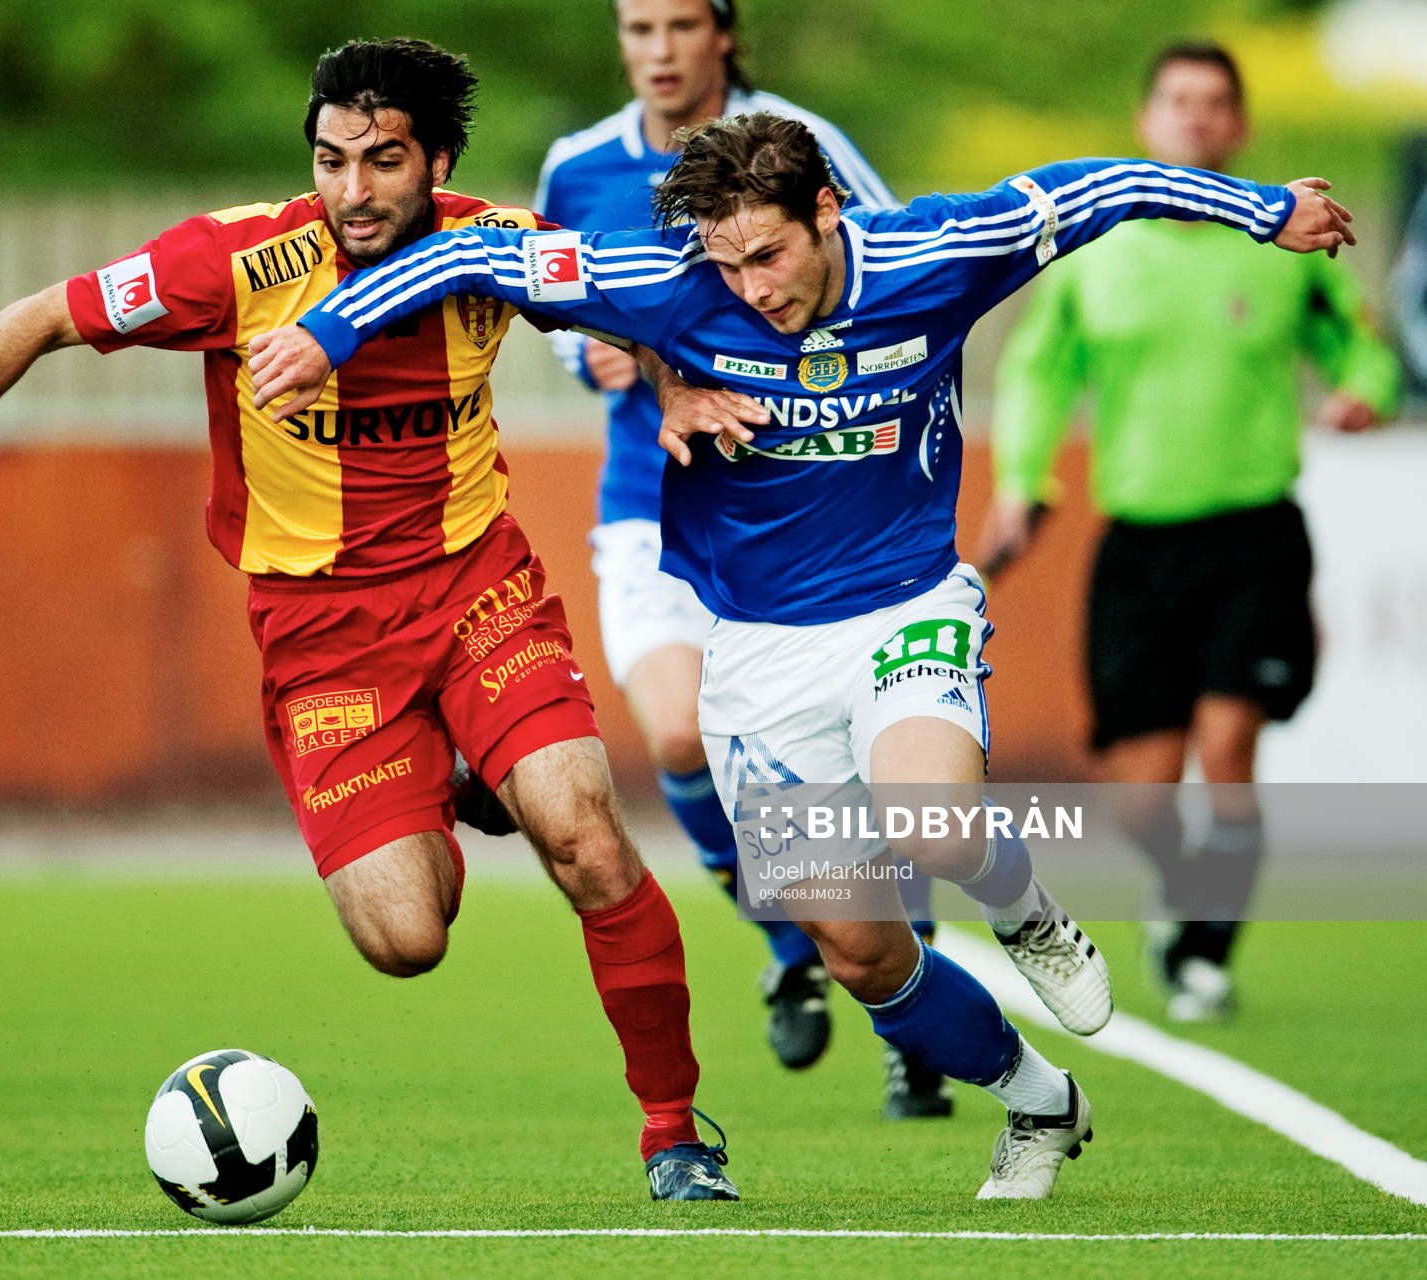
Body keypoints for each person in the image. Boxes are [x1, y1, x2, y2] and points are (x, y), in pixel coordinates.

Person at [247, 112, 1353, 1197]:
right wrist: (328, 334)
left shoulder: (934, 251)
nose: (753, 288)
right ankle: (1037, 1099)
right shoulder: (674, 279)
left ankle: (1027, 913)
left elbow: (1099, 189)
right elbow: (473, 251)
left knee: (932, 817)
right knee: (861, 952)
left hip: (905, 603)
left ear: (826, 210)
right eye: (726, 266)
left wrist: (1264, 211)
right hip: (759, 657)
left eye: (769, 254)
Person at [0, 39, 738, 1203]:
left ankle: (673, 1134)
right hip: (321, 634)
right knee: (406, 937)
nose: (355, 189)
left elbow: (627, 294)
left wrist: (676, 386)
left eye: (385, 161)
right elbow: (35, 317)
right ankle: (458, 774)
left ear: (435, 161)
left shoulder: (494, 243)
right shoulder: (235, 261)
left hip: (476, 590)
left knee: (589, 838)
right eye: (333, 160)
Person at [537, 0, 946, 1107]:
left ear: (724, 33)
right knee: (678, 733)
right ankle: (786, 943)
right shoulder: (576, 168)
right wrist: (610, 359)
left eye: (678, 24)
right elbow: (557, 312)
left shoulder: (799, 140)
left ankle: (913, 999)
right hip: (653, 502)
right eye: (636, 28)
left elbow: (890, 272)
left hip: (813, 511)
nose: (658, 49)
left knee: (868, 784)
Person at [982, 43, 1402, 1021]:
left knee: (1228, 748)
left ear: (1241, 126)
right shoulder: (1101, 258)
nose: (1198, 120)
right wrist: (1021, 482)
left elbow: (1361, 348)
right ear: (1147, 124)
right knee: (1142, 795)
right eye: (1179, 102)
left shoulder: (1288, 246)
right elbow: (1043, 375)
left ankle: (1206, 949)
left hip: (1253, 532)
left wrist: (1360, 392)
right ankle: (1182, 895)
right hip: (1140, 539)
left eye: (1217, 104)